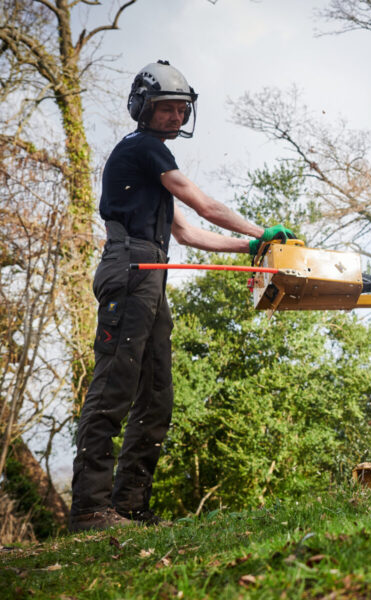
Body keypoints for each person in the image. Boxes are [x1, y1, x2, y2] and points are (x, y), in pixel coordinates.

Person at [68, 60, 292, 532]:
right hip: (130, 267)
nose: (174, 117)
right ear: (143, 109)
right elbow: (201, 203)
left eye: (181, 110)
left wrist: (250, 247)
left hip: (152, 271)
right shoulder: (144, 149)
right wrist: (261, 229)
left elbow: (188, 233)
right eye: (166, 108)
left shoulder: (150, 170)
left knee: (156, 393)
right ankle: (90, 509)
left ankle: (129, 506)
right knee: (114, 386)